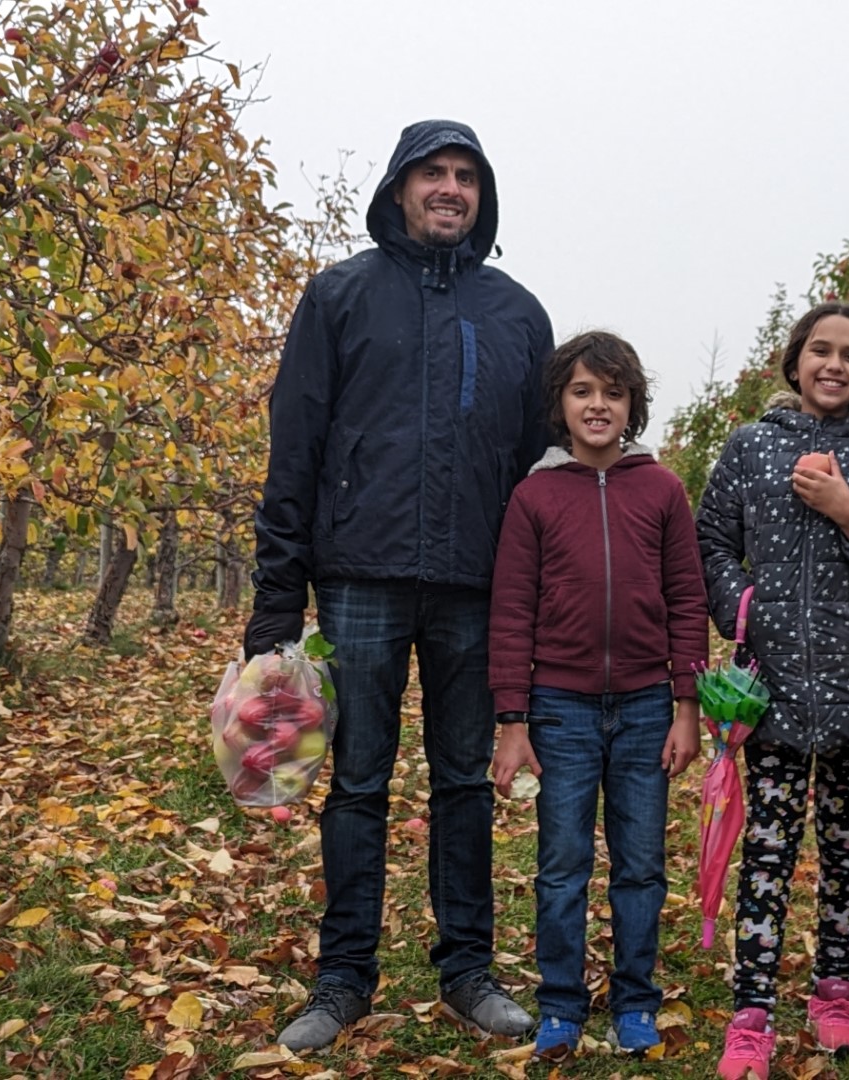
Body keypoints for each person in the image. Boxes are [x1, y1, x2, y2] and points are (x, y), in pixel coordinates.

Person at [245, 119, 554, 1052]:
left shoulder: (517, 315)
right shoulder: (340, 296)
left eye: (466, 176)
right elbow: (294, 446)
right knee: (358, 784)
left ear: (480, 196)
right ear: (400, 188)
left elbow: (531, 464)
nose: (449, 189)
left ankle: (467, 971)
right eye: (433, 174)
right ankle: (343, 978)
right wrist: (275, 601)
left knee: (465, 782)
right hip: (359, 582)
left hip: (474, 585)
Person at [693, 302, 849, 1080]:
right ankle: (751, 1012)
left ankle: (833, 993)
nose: (834, 365)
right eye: (819, 351)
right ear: (794, 362)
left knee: (847, 850)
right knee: (769, 849)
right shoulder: (752, 448)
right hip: (777, 691)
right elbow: (711, 540)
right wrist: (743, 607)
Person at [486, 331, 709, 1060]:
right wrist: (513, 720)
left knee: (641, 862)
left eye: (613, 392)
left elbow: (686, 599)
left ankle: (636, 1000)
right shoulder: (535, 495)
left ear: (633, 404)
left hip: (647, 705)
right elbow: (513, 611)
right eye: (582, 390)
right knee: (563, 864)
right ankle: (560, 1003)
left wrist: (686, 707)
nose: (598, 404)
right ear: (560, 401)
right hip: (560, 707)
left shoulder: (662, 489)